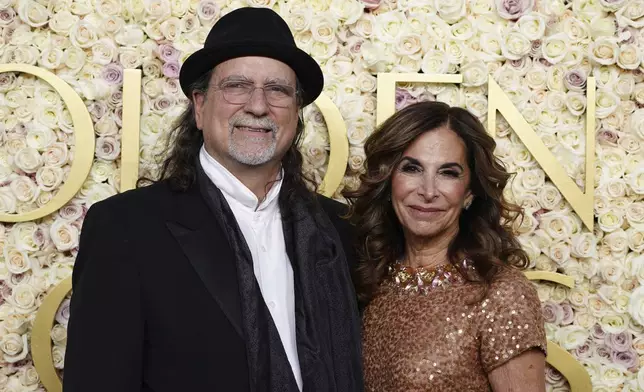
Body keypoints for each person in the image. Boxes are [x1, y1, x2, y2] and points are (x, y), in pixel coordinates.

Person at [63, 7, 363, 392]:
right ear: (200, 106)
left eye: (277, 90)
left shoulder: (340, 231)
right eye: (237, 86)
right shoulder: (126, 227)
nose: (258, 106)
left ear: (296, 114)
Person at [344, 101, 547, 392]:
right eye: (412, 168)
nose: (427, 191)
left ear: (469, 193)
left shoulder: (500, 293)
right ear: (388, 181)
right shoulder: (370, 284)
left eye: (448, 173)